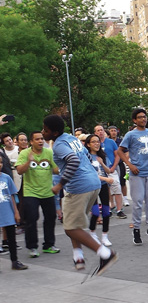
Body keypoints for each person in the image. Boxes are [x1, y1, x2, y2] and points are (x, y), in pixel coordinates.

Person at [42, 115, 117, 275]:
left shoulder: (59, 145)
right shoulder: (70, 138)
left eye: (45, 130)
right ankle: (78, 257)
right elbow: (86, 155)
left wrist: (60, 184)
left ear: (54, 132)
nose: (43, 132)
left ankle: (105, 254)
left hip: (79, 188)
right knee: (73, 223)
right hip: (93, 184)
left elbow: (73, 161)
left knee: (70, 229)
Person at [117, 108, 148, 245]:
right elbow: (120, 151)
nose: (143, 119)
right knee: (137, 203)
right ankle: (136, 229)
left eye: (145, 117)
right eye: (140, 117)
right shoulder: (130, 135)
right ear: (135, 120)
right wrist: (130, 165)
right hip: (137, 173)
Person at [15, 131, 60, 257]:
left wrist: (60, 164)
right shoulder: (25, 153)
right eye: (37, 139)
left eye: (41, 139)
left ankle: (49, 245)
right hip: (31, 192)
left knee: (51, 218)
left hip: (47, 191)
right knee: (31, 219)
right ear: (31, 142)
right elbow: (19, 171)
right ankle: (32, 247)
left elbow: (56, 170)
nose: (40, 141)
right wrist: (28, 162)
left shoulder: (49, 153)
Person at [85, 134, 114, 247]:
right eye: (93, 142)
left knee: (106, 212)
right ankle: (92, 233)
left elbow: (109, 170)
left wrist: (102, 163)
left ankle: (105, 236)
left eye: (98, 141)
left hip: (103, 186)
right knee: (96, 212)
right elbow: (91, 174)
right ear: (88, 144)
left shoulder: (102, 156)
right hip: (92, 187)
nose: (96, 144)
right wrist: (106, 178)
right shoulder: (86, 157)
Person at [0, 154, 28, 270]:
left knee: (12, 238)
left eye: (1, 162)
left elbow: (12, 196)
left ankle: (15, 261)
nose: (0, 165)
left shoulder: (6, 177)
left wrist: (16, 212)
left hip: (7, 212)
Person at [94, 125, 125, 219]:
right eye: (98, 130)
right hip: (100, 170)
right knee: (106, 190)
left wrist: (114, 167)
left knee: (117, 187)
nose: (100, 132)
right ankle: (108, 208)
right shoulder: (95, 143)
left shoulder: (110, 142)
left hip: (111, 169)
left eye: (102, 130)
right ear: (95, 133)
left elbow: (117, 155)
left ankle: (119, 210)